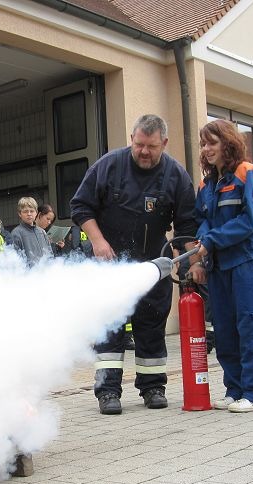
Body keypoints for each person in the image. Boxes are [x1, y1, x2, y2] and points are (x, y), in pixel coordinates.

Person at [70, 114, 197, 415]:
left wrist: (190, 261)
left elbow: (187, 225)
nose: (143, 151)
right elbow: (80, 206)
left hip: (154, 265)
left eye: (151, 146)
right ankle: (108, 392)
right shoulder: (109, 166)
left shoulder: (177, 176)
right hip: (110, 264)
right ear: (131, 139)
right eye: (138, 144)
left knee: (151, 326)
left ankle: (153, 387)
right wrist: (98, 241)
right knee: (110, 329)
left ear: (164, 143)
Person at [193, 119, 253, 413]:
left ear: (227, 143)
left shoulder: (246, 173)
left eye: (212, 142)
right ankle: (235, 389)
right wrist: (203, 240)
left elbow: (251, 220)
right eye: (203, 143)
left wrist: (212, 238)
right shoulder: (206, 184)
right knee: (226, 329)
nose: (206, 148)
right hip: (219, 266)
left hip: (248, 262)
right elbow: (201, 218)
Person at [10, 197, 53, 265]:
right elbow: (16, 262)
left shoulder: (42, 232)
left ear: (36, 213)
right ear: (19, 214)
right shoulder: (16, 234)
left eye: (32, 211)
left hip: (46, 273)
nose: (29, 214)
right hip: (29, 275)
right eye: (25, 211)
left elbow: (50, 255)